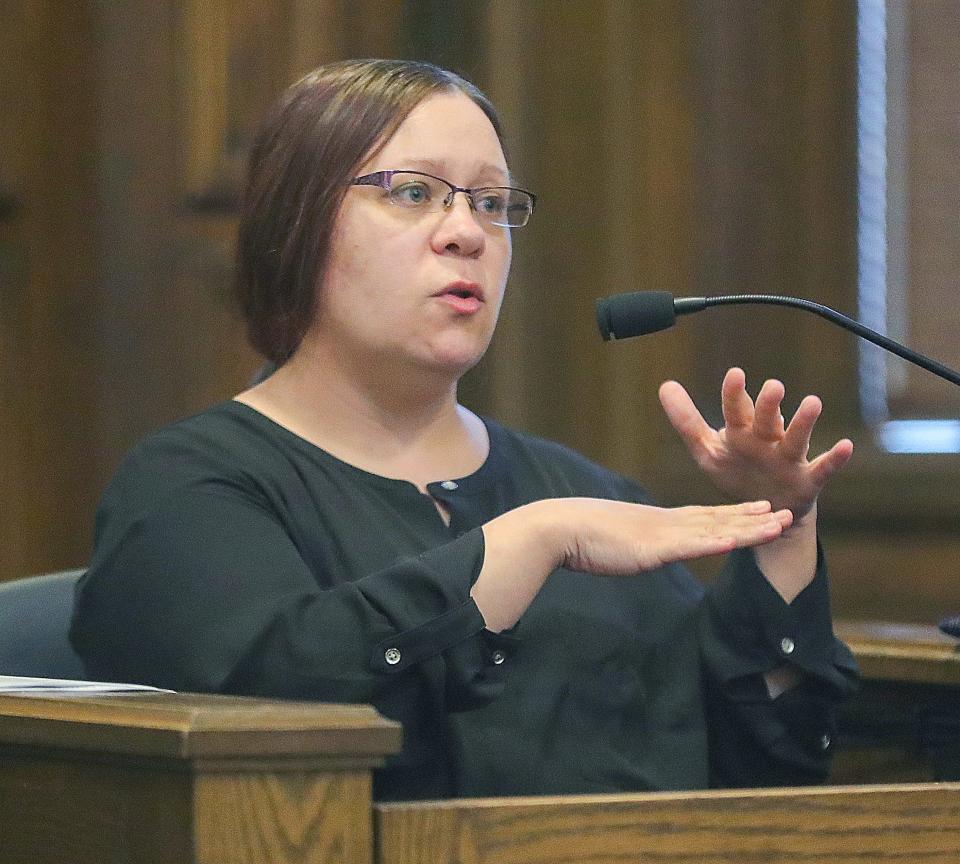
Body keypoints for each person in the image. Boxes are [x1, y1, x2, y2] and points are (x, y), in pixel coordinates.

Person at [70, 59, 858, 801]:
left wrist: (779, 531)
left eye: (491, 203)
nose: (467, 233)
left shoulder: (586, 492)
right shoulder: (187, 491)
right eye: (414, 193)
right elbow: (282, 705)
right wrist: (531, 543)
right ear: (296, 222)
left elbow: (763, 776)